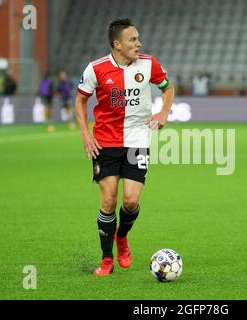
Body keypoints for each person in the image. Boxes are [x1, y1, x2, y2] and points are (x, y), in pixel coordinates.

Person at [75, 18, 175, 276]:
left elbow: (168, 88)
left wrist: (163, 112)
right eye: (133, 39)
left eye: (138, 38)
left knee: (130, 201)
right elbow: (80, 101)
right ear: (117, 44)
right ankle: (107, 259)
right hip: (106, 142)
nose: (138, 43)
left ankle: (122, 235)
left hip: (138, 140)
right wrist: (85, 133)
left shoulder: (149, 64)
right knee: (108, 201)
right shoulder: (95, 69)